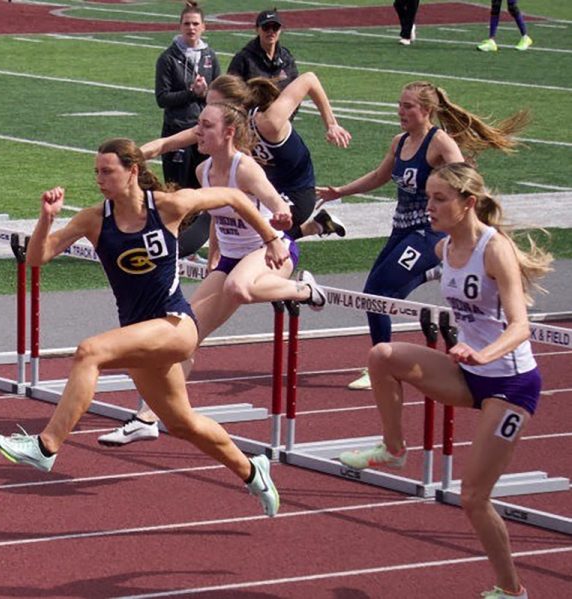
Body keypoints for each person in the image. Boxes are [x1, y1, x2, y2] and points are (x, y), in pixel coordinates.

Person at [0, 138, 284, 517]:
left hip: (176, 325)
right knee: (184, 424)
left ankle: (46, 447)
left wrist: (272, 238)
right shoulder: (94, 219)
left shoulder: (169, 207)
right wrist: (47, 217)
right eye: (96, 172)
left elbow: (235, 197)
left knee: (89, 351)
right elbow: (37, 259)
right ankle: (252, 470)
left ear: (132, 171)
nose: (100, 179)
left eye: (107, 171)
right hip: (141, 336)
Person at [338, 162, 552, 599]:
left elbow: (519, 326)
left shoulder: (495, 250)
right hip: (467, 373)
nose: (428, 207)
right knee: (383, 356)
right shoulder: (441, 250)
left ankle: (512, 590)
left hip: (510, 385)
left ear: (468, 203)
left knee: (473, 498)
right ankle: (395, 449)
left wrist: (482, 352)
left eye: (439, 199)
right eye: (427, 198)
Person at [97, 98, 329, 447]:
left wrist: (281, 216)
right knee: (186, 335)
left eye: (206, 126)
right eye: (199, 125)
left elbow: (277, 203)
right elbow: (217, 218)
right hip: (231, 259)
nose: (198, 131)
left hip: (271, 250)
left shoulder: (245, 168)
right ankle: (148, 417)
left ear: (229, 132)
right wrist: (214, 255)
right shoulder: (203, 170)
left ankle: (306, 290)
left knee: (238, 288)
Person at [316, 81, 529, 390]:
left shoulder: (439, 142)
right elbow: (379, 176)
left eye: (408, 106)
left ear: (426, 111)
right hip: (401, 228)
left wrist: (479, 227)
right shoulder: (399, 142)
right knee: (378, 298)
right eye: (400, 105)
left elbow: (466, 183)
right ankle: (432, 272)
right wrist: (340, 191)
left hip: (428, 232)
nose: (400, 111)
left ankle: (379, 365)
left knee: (376, 293)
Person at [142, 72, 352, 243]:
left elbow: (309, 79)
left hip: (295, 194)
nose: (208, 111)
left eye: (214, 106)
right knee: (223, 214)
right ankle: (315, 227)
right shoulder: (220, 127)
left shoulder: (268, 122)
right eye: (206, 104)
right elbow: (166, 144)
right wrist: (128, 157)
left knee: (254, 234)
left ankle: (299, 284)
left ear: (236, 106)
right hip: (261, 188)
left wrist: (331, 123)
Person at [155, 1, 221, 191]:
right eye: (187, 23)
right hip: (177, 129)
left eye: (195, 24)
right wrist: (192, 93)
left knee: (203, 188)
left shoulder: (210, 56)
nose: (191, 28)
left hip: (204, 132)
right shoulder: (168, 58)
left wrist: (205, 93)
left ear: (203, 27)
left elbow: (219, 96)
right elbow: (162, 98)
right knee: (178, 189)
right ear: (180, 26)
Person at [228, 9, 298, 93]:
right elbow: (231, 91)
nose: (271, 31)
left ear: (280, 30)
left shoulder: (286, 58)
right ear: (257, 29)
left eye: (275, 28)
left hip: (282, 105)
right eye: (266, 27)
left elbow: (295, 88)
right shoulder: (243, 59)